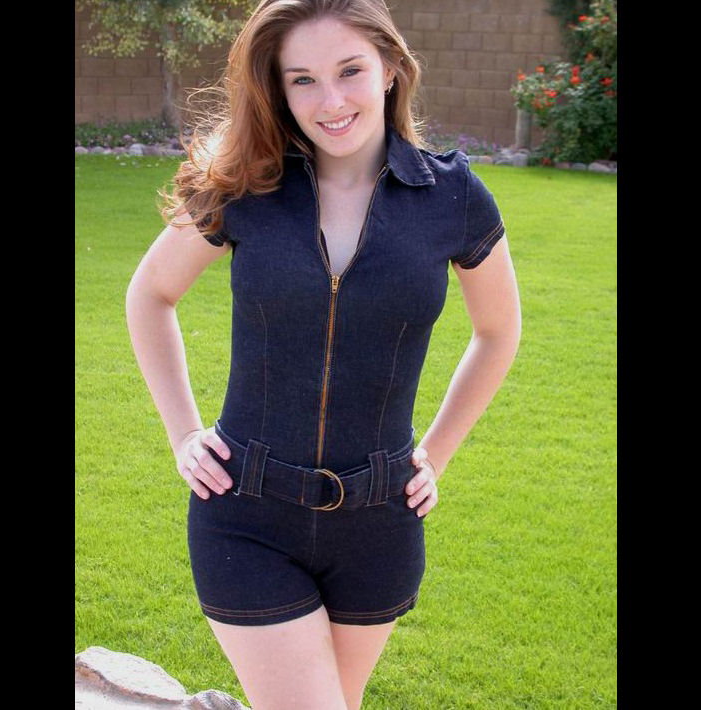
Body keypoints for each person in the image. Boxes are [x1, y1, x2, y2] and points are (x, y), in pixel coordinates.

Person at [126, 0, 521, 708]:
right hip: (245, 514)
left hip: (379, 524)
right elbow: (151, 294)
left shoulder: (453, 197)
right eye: (302, 79)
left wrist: (435, 453)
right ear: (277, 89)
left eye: (350, 71)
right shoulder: (246, 183)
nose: (331, 101)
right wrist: (183, 432)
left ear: (391, 69)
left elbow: (498, 331)